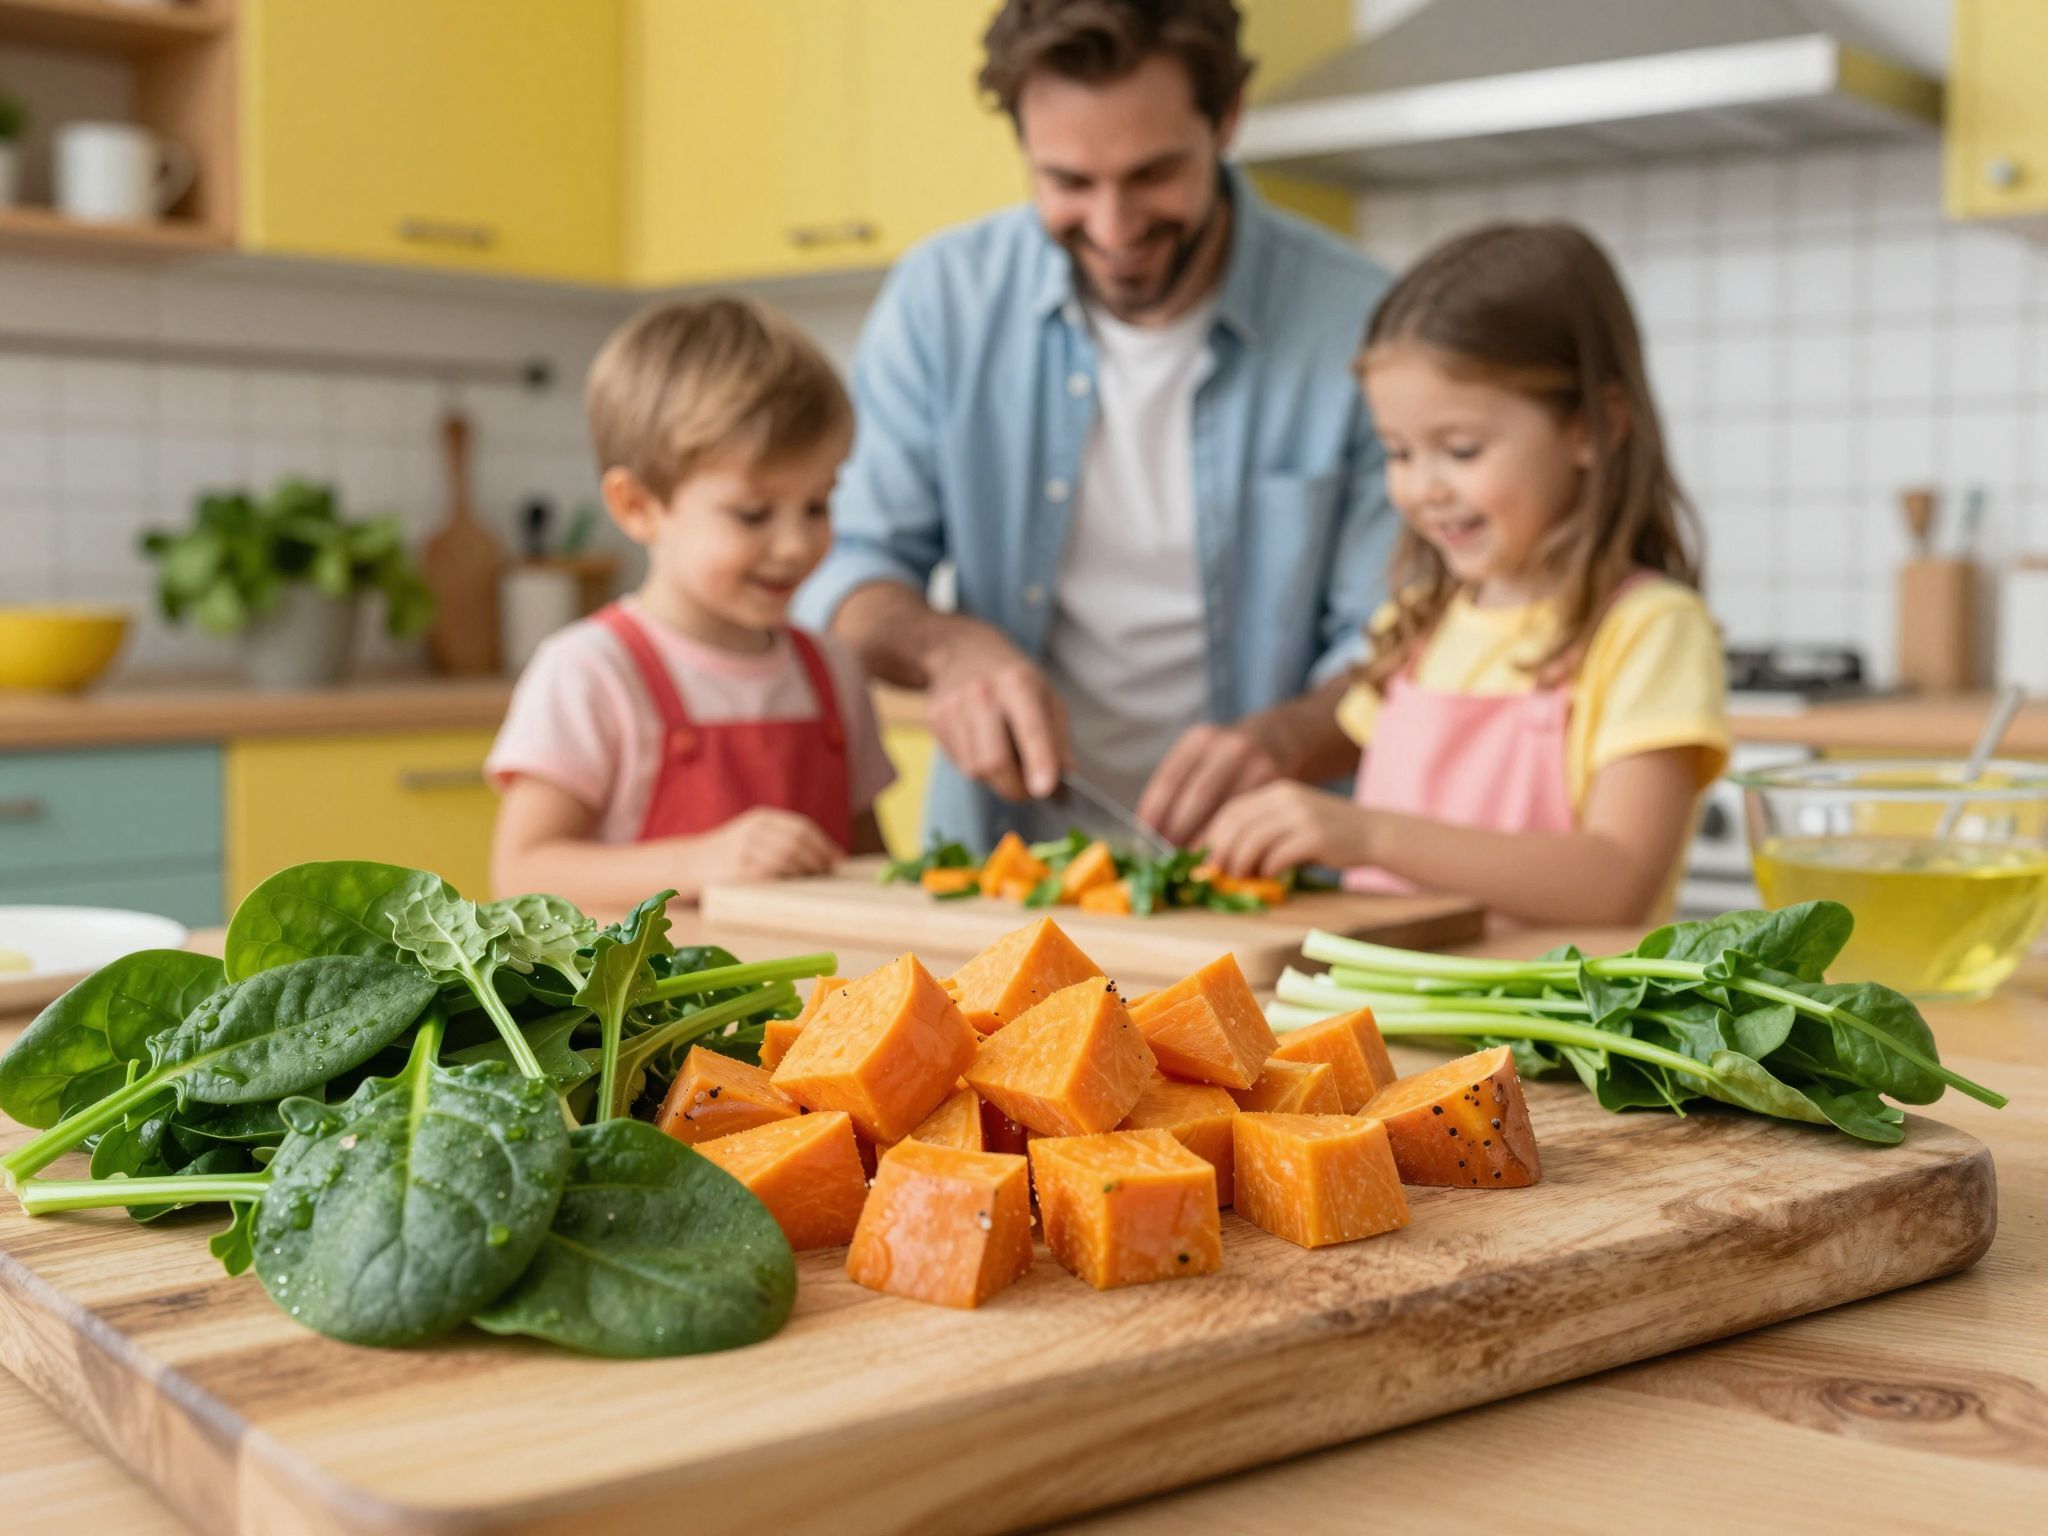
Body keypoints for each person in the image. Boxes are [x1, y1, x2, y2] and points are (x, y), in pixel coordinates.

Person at [795, 0, 1395, 852]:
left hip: (1280, 883)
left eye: (1153, 174)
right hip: (1003, 863)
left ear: (1226, 119)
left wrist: (1288, 737)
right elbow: (848, 570)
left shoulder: (1364, 324)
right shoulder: (942, 300)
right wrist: (948, 649)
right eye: (1069, 183)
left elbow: (1405, 641)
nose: (1114, 229)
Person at [1201, 223, 1730, 927]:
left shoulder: (1649, 631)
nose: (1423, 488)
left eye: (1460, 449)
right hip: (1389, 1027)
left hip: (1555, 1034)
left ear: (1591, 426)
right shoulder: (1416, 625)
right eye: (1398, 452)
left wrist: (1367, 834)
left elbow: (1617, 881)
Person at [489, 297, 895, 911]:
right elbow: (521, 873)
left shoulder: (833, 672)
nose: (797, 544)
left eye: (817, 505)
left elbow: (869, 871)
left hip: (822, 1007)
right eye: (752, 513)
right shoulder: (591, 671)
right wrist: (700, 862)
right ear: (638, 506)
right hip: (652, 1009)